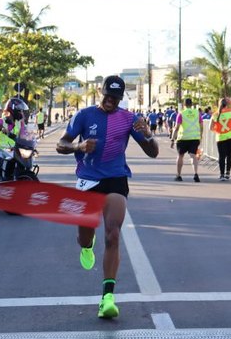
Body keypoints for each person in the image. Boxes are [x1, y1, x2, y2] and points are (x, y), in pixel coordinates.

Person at [57, 75, 158, 319]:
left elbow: (153, 152)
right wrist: (79, 147)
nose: (111, 100)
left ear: (121, 98)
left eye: (116, 97)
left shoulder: (129, 119)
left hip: (115, 178)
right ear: (100, 93)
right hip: (88, 179)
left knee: (113, 234)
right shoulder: (84, 116)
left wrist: (149, 133)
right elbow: (61, 144)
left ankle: (108, 298)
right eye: (107, 96)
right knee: (85, 236)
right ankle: (87, 245)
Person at [170, 98, 202, 182]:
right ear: (191, 104)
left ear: (184, 105)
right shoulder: (197, 113)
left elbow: (176, 128)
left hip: (183, 138)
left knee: (180, 156)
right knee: (193, 155)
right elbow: (201, 125)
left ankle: (178, 175)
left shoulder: (181, 114)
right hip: (194, 138)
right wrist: (200, 136)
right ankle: (196, 174)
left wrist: (173, 139)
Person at [211, 97, 231, 181]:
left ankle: (222, 174)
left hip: (220, 137)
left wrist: (217, 131)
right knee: (229, 155)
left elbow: (211, 127)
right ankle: (228, 173)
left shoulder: (215, 114)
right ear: (227, 104)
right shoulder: (230, 112)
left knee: (221, 156)